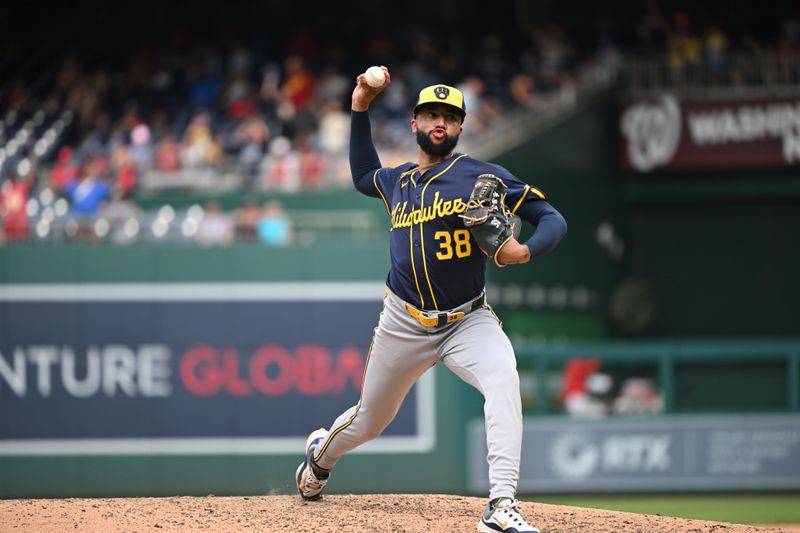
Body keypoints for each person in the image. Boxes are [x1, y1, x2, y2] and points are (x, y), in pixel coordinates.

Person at [295, 67, 567, 533]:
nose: (439, 122)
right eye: (430, 114)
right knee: (370, 422)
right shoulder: (397, 182)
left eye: (449, 116)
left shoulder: (483, 175)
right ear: (415, 124)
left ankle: (501, 506)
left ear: (460, 128)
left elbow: (551, 217)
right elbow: (363, 174)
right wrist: (360, 104)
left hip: (468, 319)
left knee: (503, 376)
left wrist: (525, 248)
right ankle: (320, 457)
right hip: (403, 322)